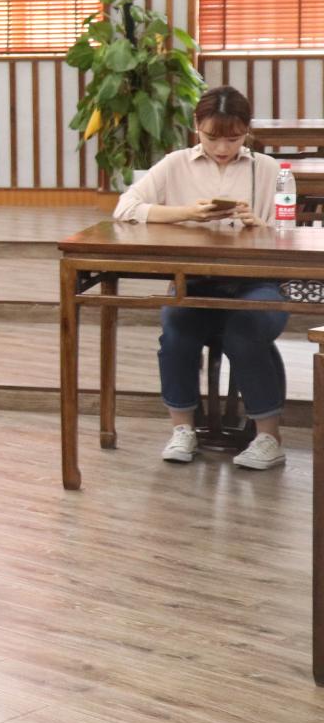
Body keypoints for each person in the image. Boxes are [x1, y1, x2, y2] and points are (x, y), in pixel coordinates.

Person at [113, 85, 288, 470]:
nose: (222, 148)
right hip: (194, 280)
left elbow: (289, 237)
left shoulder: (268, 169)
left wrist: (259, 227)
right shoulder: (176, 164)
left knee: (245, 332)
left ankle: (268, 438)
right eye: (212, 137)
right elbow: (125, 208)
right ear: (196, 126)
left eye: (233, 138)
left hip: (257, 282)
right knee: (176, 330)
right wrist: (186, 213)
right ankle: (182, 429)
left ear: (247, 130)